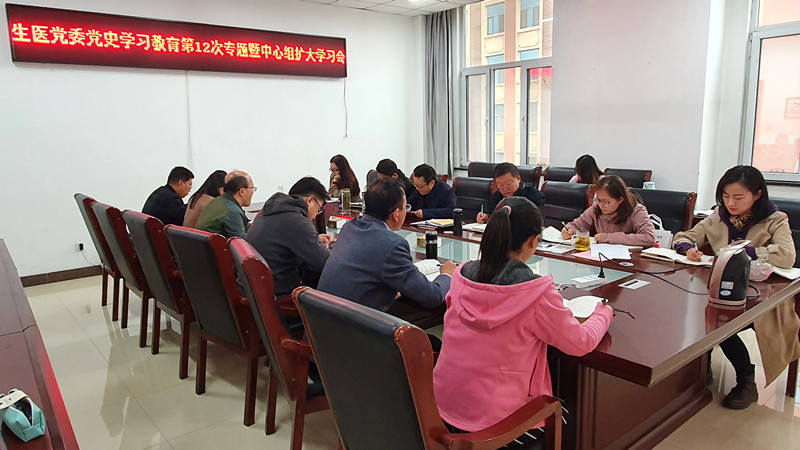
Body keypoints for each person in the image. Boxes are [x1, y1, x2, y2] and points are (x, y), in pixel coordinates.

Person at [433, 197, 613, 444]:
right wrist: (603, 312)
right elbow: (580, 343)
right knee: (570, 418)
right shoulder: (536, 293)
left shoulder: (461, 275)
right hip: (495, 426)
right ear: (533, 241)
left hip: (442, 408)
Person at [673, 165, 797, 410]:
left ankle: (746, 381)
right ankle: (703, 367)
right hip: (722, 289)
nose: (730, 203)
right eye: (726, 196)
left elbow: (787, 255)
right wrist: (688, 249)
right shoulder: (718, 216)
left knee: (721, 322)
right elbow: (685, 236)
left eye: (738, 197)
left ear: (757, 194)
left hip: (762, 296)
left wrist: (746, 251)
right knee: (697, 310)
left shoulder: (775, 219)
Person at [317, 178, 456, 313]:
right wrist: (446, 275)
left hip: (322, 318)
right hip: (353, 325)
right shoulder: (392, 245)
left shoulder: (350, 227)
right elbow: (433, 296)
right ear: (396, 214)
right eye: (405, 207)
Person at [246, 177, 332, 297]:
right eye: (319, 209)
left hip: (254, 288)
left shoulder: (269, 210)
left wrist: (314, 240)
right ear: (310, 200)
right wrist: (326, 247)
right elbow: (325, 263)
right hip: (278, 295)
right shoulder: (298, 221)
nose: (315, 216)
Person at [561, 175, 656, 246]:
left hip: (629, 260)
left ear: (620, 199)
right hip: (600, 257)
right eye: (598, 200)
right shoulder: (596, 207)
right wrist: (569, 230)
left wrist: (607, 237)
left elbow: (649, 238)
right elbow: (576, 225)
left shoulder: (637, 211)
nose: (601, 205)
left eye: (606, 202)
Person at [476, 163, 545, 224]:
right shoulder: (496, 197)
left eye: (508, 184)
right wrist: (486, 217)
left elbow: (538, 222)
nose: (505, 189)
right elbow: (489, 213)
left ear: (518, 179)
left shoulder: (535, 196)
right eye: (500, 185)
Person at [195, 171, 255, 239]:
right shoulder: (232, 211)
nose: (253, 192)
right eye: (252, 188)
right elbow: (241, 242)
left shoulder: (216, 201)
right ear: (242, 191)